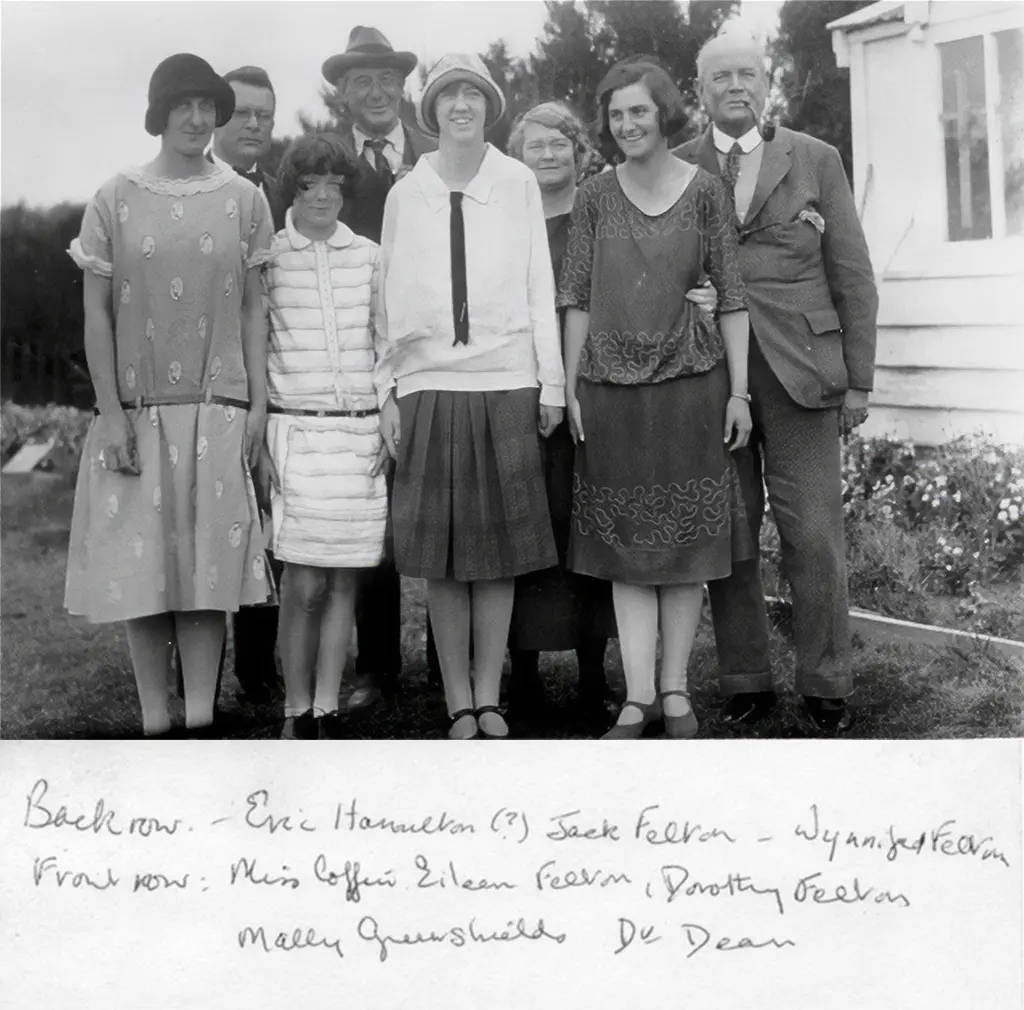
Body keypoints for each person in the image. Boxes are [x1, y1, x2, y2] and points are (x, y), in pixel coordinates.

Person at [674, 32, 878, 734]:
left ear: (768, 85)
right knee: (730, 535)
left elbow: (852, 273)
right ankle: (746, 680)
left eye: (748, 75)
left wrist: (859, 382)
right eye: (720, 76)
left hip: (804, 375)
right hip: (710, 380)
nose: (736, 86)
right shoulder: (676, 168)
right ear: (699, 90)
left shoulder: (815, 158)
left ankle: (826, 682)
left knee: (815, 536)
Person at [64, 53, 273, 737]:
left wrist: (257, 407)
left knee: (207, 573)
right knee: (145, 570)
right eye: (181, 106)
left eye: (206, 106)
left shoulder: (244, 198)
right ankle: (156, 719)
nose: (195, 118)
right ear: (160, 114)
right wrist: (112, 412)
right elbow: (96, 313)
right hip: (138, 409)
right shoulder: (114, 199)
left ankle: (203, 718)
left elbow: (251, 311)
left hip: (218, 409)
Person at [559, 59, 753, 740]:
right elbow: (575, 296)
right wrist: (569, 383)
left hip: (691, 391)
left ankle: (675, 690)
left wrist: (740, 393)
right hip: (609, 394)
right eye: (615, 115)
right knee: (628, 554)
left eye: (638, 111)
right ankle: (637, 695)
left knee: (685, 551)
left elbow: (732, 297)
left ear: (664, 113)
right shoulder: (592, 196)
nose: (627, 125)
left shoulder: (706, 192)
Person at [375, 54, 565, 741]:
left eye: (473, 94)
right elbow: (386, 301)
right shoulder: (407, 194)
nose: (461, 104)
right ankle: (457, 696)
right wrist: (388, 391)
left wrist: (552, 382)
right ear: (430, 111)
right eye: (447, 94)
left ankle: (490, 693)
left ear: (490, 105)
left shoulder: (515, 183)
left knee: (501, 552)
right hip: (429, 385)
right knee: (446, 560)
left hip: (505, 379)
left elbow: (539, 282)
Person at [254, 133, 388, 740]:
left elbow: (386, 346)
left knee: (342, 581)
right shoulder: (269, 257)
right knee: (302, 584)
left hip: (357, 437)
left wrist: (387, 411)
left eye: (336, 185)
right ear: (294, 188)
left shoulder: (369, 256)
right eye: (311, 185)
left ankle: (327, 710)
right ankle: (294, 710)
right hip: (297, 435)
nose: (324, 196)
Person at [321, 26, 440, 711]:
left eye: (386, 79)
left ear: (403, 87)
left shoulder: (436, 155)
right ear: (342, 93)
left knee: (451, 495)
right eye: (360, 81)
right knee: (371, 510)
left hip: (435, 354)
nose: (375, 91)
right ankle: (380, 668)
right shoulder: (322, 161)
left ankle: (461, 659)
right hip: (354, 356)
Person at [208, 64, 286, 708]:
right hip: (200, 386)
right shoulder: (179, 186)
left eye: (266, 114)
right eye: (243, 113)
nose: (256, 124)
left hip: (272, 378)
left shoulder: (289, 193)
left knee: (265, 521)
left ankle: (258, 669)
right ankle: (194, 667)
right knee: (199, 524)